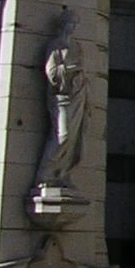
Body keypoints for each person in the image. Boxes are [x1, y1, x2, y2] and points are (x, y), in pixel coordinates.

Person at [36, 15, 87, 189]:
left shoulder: (77, 47)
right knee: (62, 135)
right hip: (60, 97)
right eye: (70, 23)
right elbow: (51, 73)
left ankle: (62, 174)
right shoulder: (55, 46)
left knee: (73, 138)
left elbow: (82, 72)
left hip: (77, 95)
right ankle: (45, 174)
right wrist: (68, 70)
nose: (72, 27)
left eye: (74, 24)